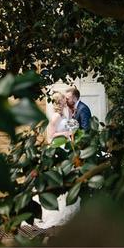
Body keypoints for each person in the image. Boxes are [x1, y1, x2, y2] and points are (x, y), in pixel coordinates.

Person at [32, 91, 80, 229]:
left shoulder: (63, 114)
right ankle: (54, 211)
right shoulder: (55, 117)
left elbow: (70, 124)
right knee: (60, 176)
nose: (67, 100)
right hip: (58, 147)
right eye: (64, 99)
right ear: (60, 101)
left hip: (65, 146)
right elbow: (50, 136)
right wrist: (65, 133)